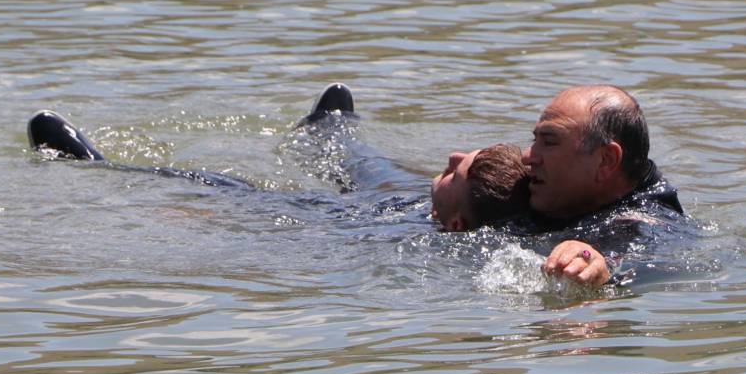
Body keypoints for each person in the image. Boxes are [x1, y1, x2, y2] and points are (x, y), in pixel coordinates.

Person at [27, 84, 529, 232]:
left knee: (224, 186)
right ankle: (328, 130)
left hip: (363, 218)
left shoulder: (414, 242)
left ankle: (93, 163)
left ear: (458, 224)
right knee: (362, 159)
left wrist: (214, 219)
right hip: (402, 198)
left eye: (454, 170)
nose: (452, 154)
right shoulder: (481, 205)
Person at [519, 85, 686, 288]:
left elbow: (654, 261)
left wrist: (598, 265)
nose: (527, 157)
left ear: (606, 160)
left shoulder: (648, 226)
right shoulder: (564, 199)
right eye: (534, 140)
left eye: (550, 142)